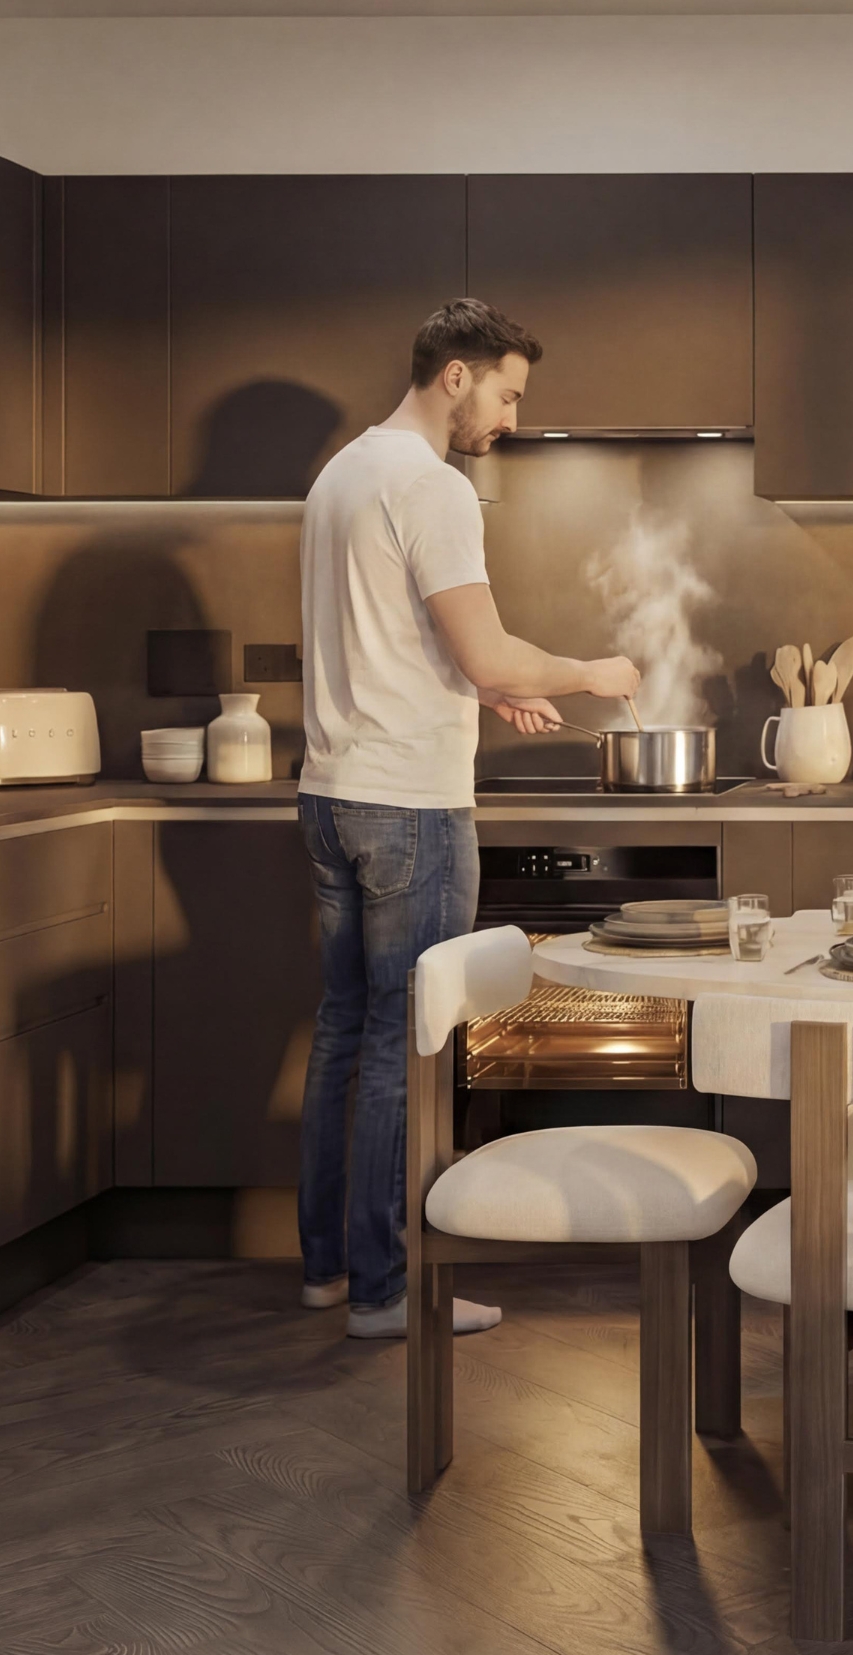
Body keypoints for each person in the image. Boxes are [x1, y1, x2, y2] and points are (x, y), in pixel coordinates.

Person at [294, 299, 637, 1338]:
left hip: (332, 792)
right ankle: (387, 1293)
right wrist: (588, 670)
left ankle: (327, 1270)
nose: (513, 417)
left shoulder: (341, 476)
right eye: (508, 391)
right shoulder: (432, 486)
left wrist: (482, 693)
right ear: (456, 374)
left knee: (346, 1031)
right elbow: (487, 647)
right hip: (410, 809)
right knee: (412, 1042)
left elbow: (400, 639)